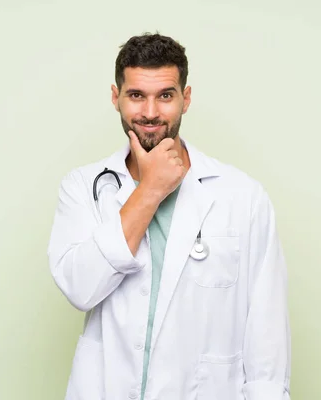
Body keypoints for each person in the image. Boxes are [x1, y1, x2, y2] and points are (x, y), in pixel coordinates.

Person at [47, 32, 291, 400]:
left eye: (165, 95)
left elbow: (266, 334)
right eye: (136, 95)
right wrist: (149, 191)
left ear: (185, 98)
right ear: (116, 98)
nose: (149, 112)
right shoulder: (83, 187)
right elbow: (81, 288)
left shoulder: (244, 198)